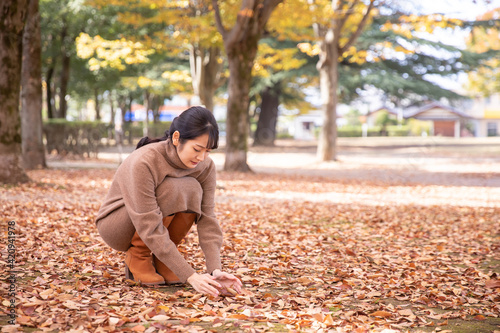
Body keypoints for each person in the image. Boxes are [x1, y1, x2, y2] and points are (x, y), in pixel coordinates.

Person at [95, 106, 242, 297]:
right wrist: (189, 275)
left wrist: (215, 270)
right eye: (197, 149)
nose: (202, 157)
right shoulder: (145, 161)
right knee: (174, 188)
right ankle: (138, 256)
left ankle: (163, 259)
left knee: (191, 188)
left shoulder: (205, 166)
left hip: (149, 226)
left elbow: (207, 217)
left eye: (208, 151)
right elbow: (147, 222)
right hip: (118, 225)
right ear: (176, 138)